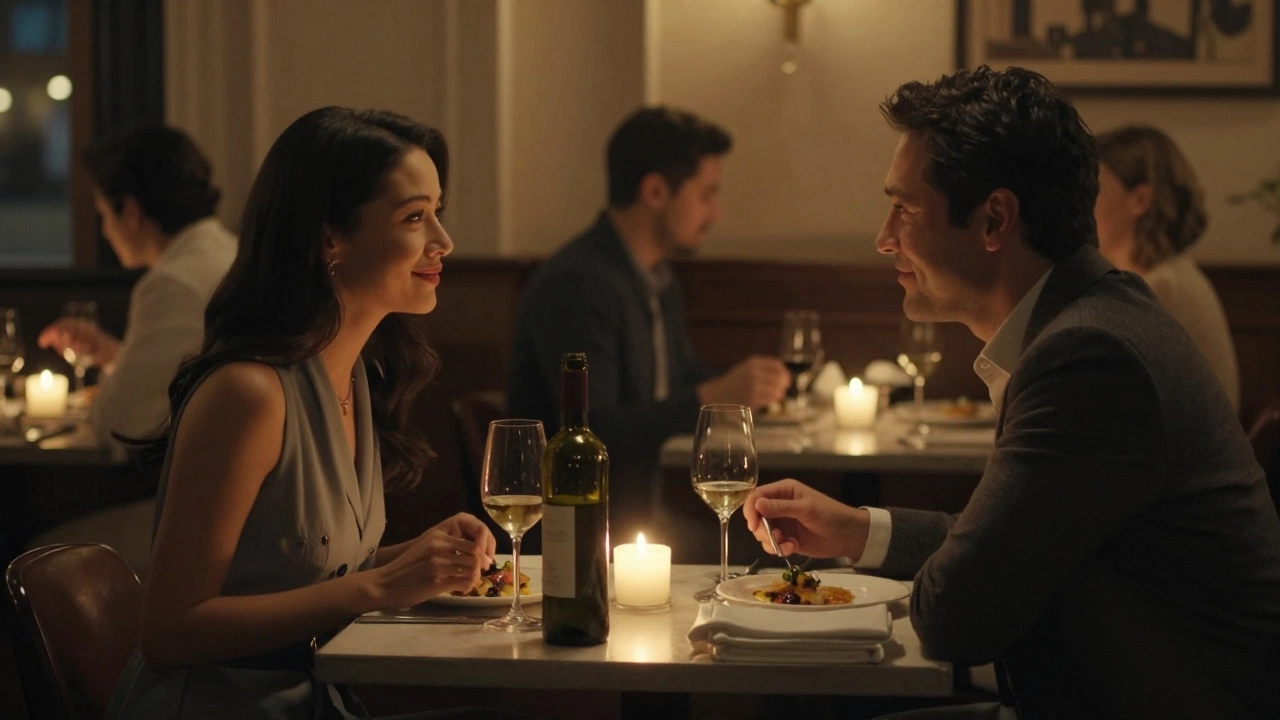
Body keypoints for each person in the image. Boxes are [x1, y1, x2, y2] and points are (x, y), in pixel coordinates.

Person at [744, 67, 1280, 719]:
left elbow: (958, 614)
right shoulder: (1088, 321)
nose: (884, 238)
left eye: (905, 209)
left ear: (994, 219)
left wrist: (943, 577)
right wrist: (857, 531)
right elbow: (1006, 545)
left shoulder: (1090, 355)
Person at [104, 108, 531, 720]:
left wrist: (416, 558)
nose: (444, 240)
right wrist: (380, 586)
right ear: (330, 239)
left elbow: (301, 573)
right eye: (414, 217)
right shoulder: (248, 395)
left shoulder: (352, 376)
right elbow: (170, 632)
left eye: (437, 211)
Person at [507, 106, 789, 546]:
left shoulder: (656, 277)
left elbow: (679, 375)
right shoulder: (579, 284)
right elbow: (595, 433)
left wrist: (748, 389)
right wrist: (711, 397)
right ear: (656, 191)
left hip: (643, 517)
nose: (715, 213)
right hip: (584, 534)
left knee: (793, 543)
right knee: (791, 555)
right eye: (706, 195)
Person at [29, 125, 237, 575]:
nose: (105, 230)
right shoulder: (226, 251)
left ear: (131, 210)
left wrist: (111, 385)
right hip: (232, 495)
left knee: (35, 555)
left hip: (202, 513)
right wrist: (115, 356)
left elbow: (119, 426)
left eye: (103, 213)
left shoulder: (172, 282)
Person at [1094, 124, 1239, 409]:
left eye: (1094, 189)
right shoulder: (1166, 274)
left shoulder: (1160, 286)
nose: (1083, 203)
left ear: (1140, 200)